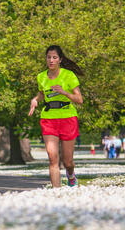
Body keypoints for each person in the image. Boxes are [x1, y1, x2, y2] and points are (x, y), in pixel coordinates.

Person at [28, 45, 83, 188]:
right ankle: (56, 192)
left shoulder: (68, 75)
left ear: (60, 60)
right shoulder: (41, 77)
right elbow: (41, 94)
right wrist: (35, 100)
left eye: (54, 57)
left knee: (67, 162)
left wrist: (64, 92)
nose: (51, 60)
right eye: (48, 57)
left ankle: (71, 175)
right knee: (52, 158)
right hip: (48, 118)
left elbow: (79, 100)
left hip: (68, 117)